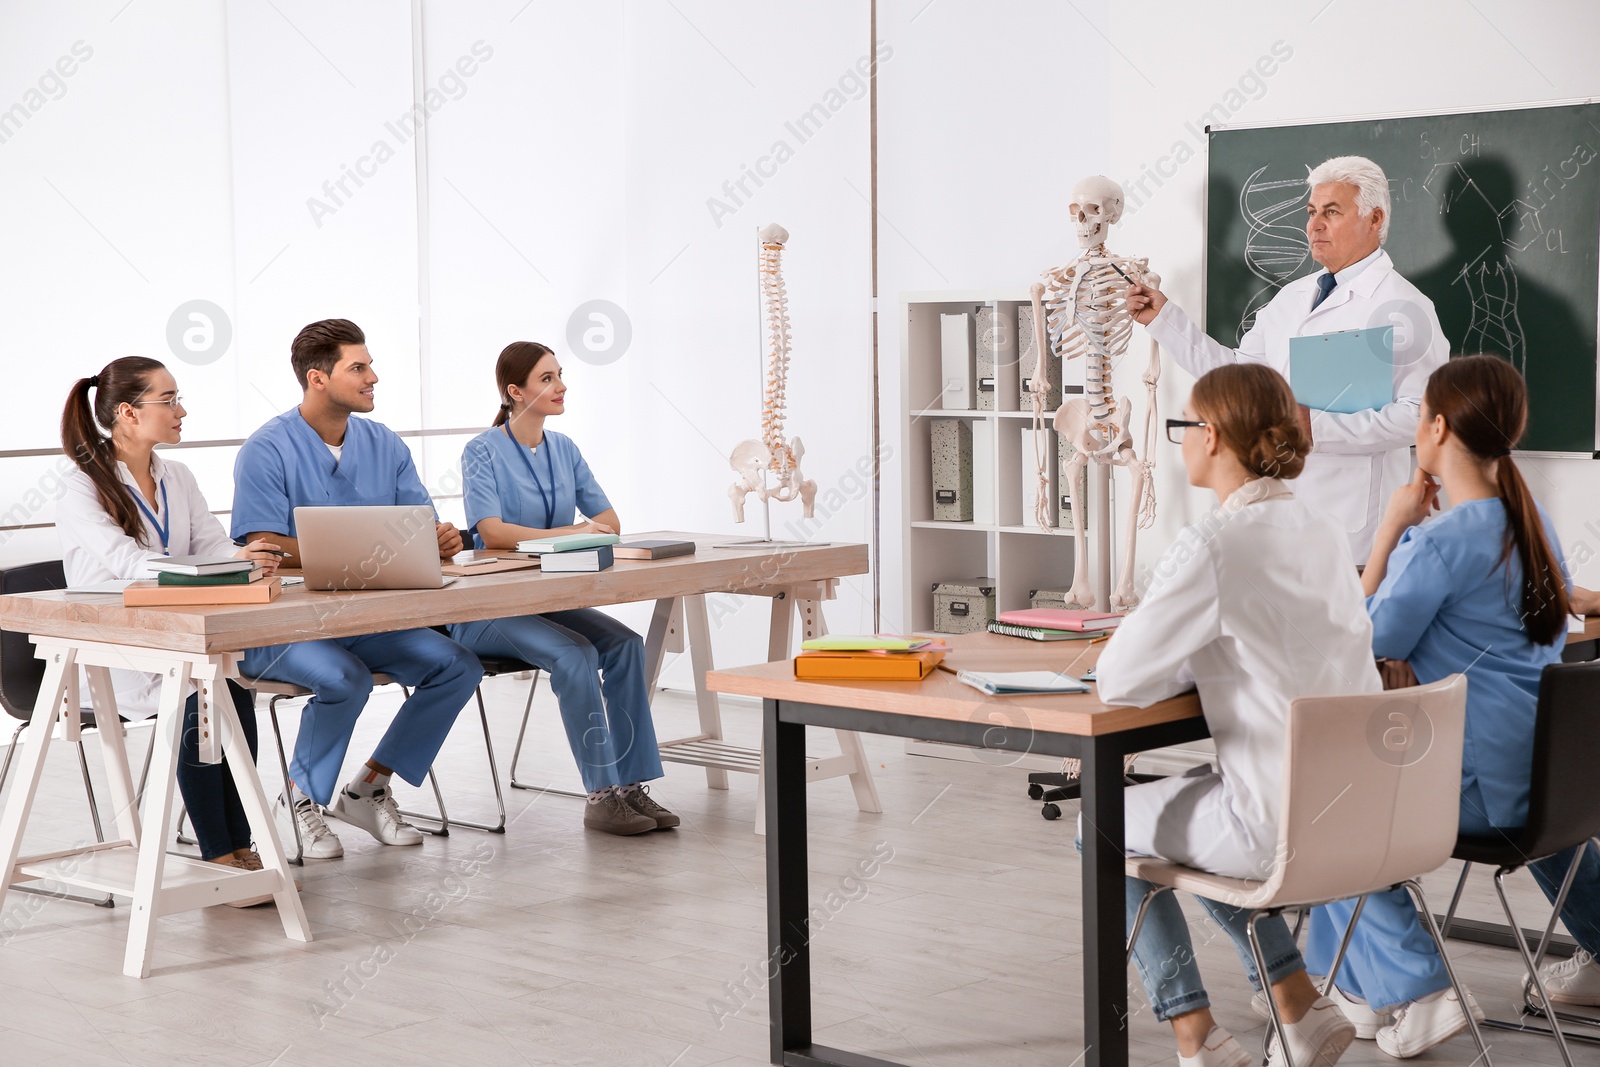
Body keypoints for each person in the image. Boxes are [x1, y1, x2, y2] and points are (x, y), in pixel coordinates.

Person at [1095, 363, 1381, 1067]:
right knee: (1193, 794)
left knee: (1099, 822)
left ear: (1211, 434)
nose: (1179, 441)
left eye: (1182, 427)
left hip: (1277, 829)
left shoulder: (1214, 543)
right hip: (1365, 816)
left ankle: (1197, 1033)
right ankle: (1295, 1001)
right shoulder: (1323, 529)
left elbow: (1118, 678)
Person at [1301, 354, 1588, 1057]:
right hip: (1554, 784)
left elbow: (1361, 639)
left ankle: (1414, 986)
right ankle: (1358, 988)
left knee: (1326, 808)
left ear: (1434, 427)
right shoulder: (1533, 520)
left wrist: (1388, 529)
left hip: (1478, 789)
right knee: (1356, 786)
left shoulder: (1436, 541)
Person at [232, 319, 482, 859]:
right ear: (318, 378)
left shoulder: (383, 442)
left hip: (368, 620)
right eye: (359, 367)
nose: (374, 377)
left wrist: (437, 538)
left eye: (370, 365)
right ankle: (299, 800)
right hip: (286, 627)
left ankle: (369, 786)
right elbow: (265, 544)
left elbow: (419, 522)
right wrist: (374, 551)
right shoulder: (266, 449)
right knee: (345, 679)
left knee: (457, 664)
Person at [1126, 155, 1449, 560]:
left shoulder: (1406, 308)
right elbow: (1238, 380)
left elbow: (1423, 419)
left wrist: (1317, 427)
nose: (1314, 225)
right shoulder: (1292, 298)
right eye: (1312, 212)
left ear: (1375, 218)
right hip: (1275, 520)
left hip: (1354, 537)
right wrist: (1164, 321)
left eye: (1332, 212)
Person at [57, 358, 287, 904]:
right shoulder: (81, 487)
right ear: (127, 413)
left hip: (173, 633)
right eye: (170, 400)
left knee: (231, 691)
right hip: (114, 641)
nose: (181, 411)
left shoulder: (175, 476)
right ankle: (218, 853)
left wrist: (245, 557)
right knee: (197, 695)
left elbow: (209, 544)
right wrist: (209, 569)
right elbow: (125, 562)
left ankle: (241, 844)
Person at [450, 342, 677, 836]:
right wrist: (569, 533)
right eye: (547, 378)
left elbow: (610, 521)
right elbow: (492, 532)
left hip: (547, 599)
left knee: (624, 645)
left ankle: (631, 784)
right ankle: (599, 796)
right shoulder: (481, 451)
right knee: (575, 655)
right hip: (486, 610)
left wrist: (564, 533)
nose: (561, 386)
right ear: (516, 392)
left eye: (559, 375)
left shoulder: (565, 449)